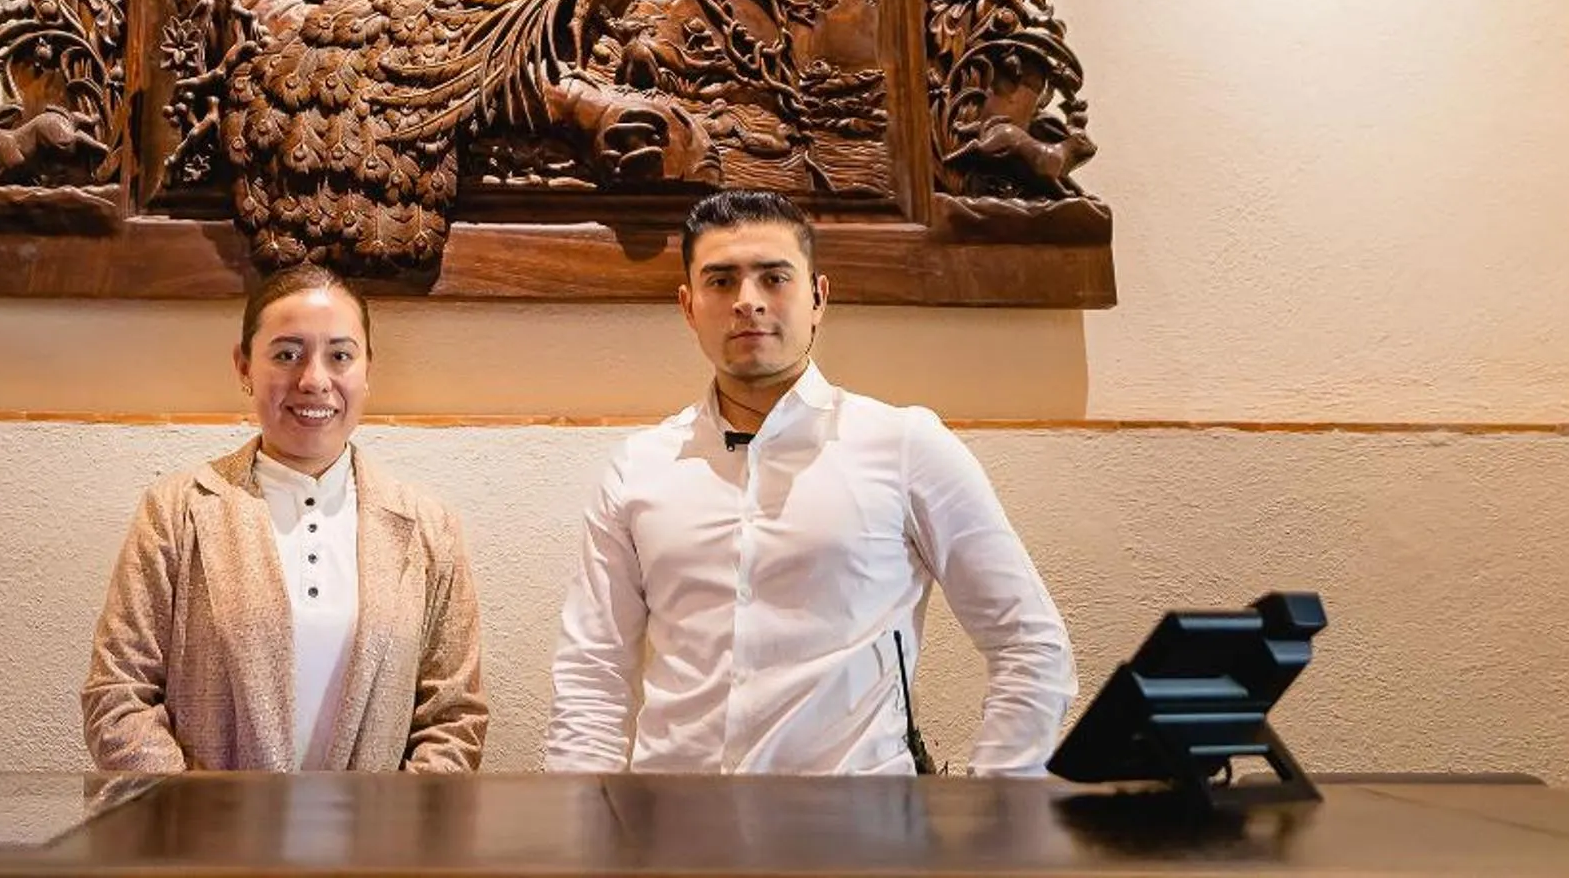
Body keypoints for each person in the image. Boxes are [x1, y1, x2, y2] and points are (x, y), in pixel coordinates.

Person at [543, 190, 1075, 775]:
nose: (748, 302)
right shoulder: (637, 468)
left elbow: (1029, 644)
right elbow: (593, 674)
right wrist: (580, 839)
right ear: (688, 306)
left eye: (774, 278)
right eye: (720, 282)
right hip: (675, 836)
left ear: (818, 297)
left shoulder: (905, 445)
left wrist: (1000, 810)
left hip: (861, 842)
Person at [84, 264, 488, 771]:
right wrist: (199, 823)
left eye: (340, 355)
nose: (314, 380)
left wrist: (391, 832)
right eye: (286, 354)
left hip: (376, 845)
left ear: (368, 371)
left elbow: (454, 716)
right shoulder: (176, 511)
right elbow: (118, 696)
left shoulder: (429, 527)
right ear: (244, 367)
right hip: (203, 843)